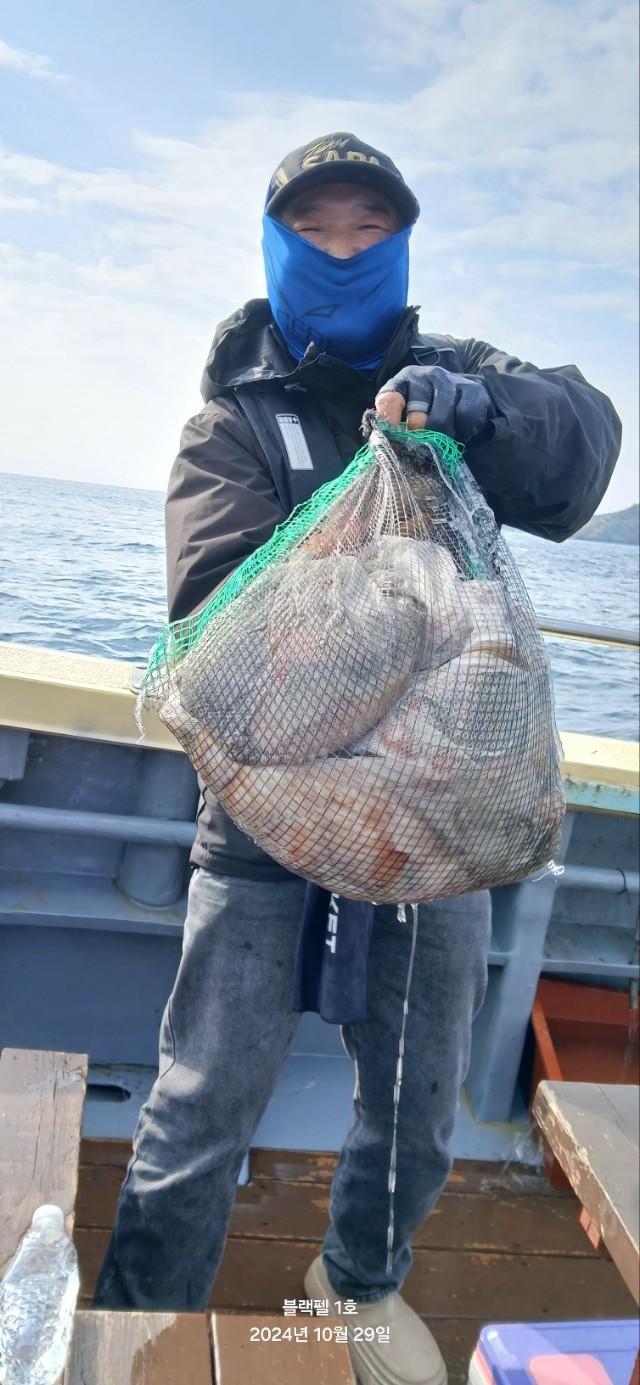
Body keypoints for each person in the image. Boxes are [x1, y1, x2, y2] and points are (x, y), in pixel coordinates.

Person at [95, 133, 621, 1385]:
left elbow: (582, 448)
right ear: (277, 245)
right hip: (263, 827)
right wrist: (394, 594)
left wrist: (481, 412)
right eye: (316, 229)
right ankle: (136, 1321)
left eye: (366, 229)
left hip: (429, 834)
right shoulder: (229, 424)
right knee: (200, 1097)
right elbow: (227, 648)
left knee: (416, 1102)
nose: (343, 250)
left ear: (402, 244)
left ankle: (355, 1290)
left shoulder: (459, 380)